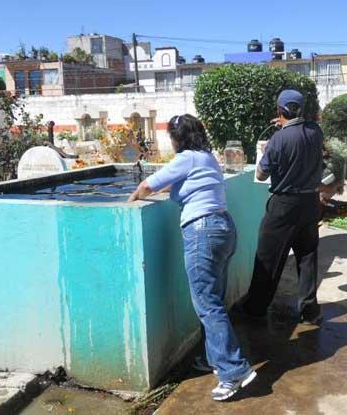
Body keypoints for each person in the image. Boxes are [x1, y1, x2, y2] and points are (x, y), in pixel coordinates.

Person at [128, 114, 256, 401]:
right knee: (213, 300)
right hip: (223, 228)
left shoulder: (186, 158)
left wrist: (131, 199)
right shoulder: (206, 158)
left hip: (203, 233)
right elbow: (175, 185)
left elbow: (148, 184)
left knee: (208, 305)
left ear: (178, 138)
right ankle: (214, 358)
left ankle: (234, 370)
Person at [240, 89, 324, 324]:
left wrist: (268, 149)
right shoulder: (316, 132)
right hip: (310, 203)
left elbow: (261, 172)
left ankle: (255, 308)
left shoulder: (279, 139)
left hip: (284, 205)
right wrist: (285, 127)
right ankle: (310, 311)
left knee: (268, 256)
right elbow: (300, 136)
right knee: (307, 257)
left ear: (280, 111)